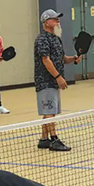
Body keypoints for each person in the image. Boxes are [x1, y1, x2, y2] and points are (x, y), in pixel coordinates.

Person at [34, 9, 81, 152]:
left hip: (53, 82)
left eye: (58, 19)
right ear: (46, 22)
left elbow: (62, 58)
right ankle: (54, 139)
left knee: (49, 110)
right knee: (50, 111)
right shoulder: (42, 39)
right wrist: (58, 77)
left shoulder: (56, 39)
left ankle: (44, 139)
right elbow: (45, 60)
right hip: (45, 81)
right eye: (55, 19)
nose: (58, 21)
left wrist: (73, 59)